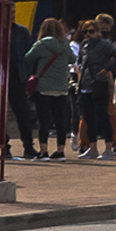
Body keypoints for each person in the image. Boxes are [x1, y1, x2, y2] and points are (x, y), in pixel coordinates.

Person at [21, 19, 77, 162]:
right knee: (61, 121)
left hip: (44, 87)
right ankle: (60, 151)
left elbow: (28, 58)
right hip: (61, 88)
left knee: (44, 120)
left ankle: (44, 151)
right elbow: (72, 59)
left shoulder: (42, 44)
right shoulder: (65, 43)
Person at [77, 15, 116, 160]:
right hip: (85, 85)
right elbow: (79, 62)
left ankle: (108, 149)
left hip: (100, 84)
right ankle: (92, 148)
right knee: (88, 118)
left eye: (91, 31)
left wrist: (107, 68)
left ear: (98, 31)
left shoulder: (105, 44)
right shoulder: (84, 44)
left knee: (103, 116)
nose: (88, 35)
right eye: (85, 32)